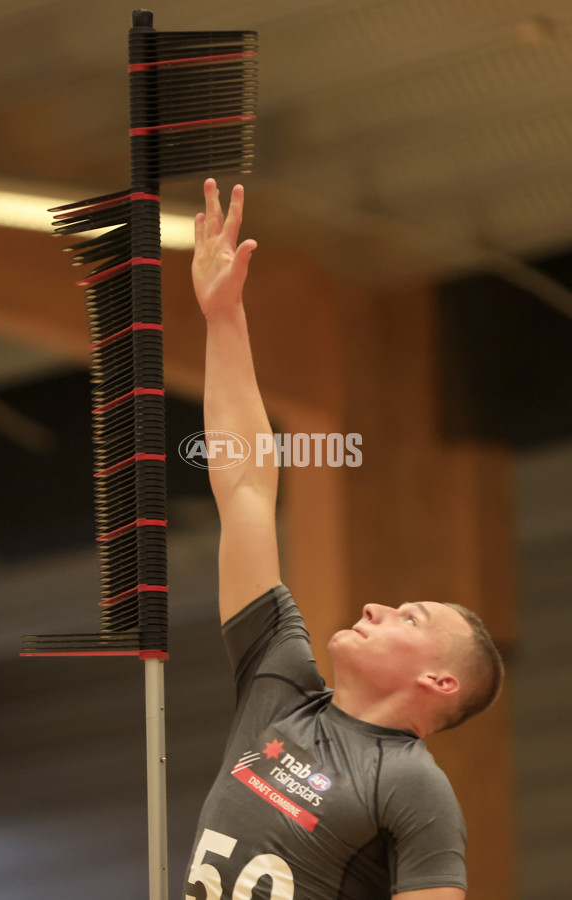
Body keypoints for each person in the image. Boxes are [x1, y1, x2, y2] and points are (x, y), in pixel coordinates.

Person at [183, 178, 504, 900]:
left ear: (439, 682)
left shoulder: (413, 788)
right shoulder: (279, 677)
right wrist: (224, 317)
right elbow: (243, 489)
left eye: (409, 617)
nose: (375, 610)